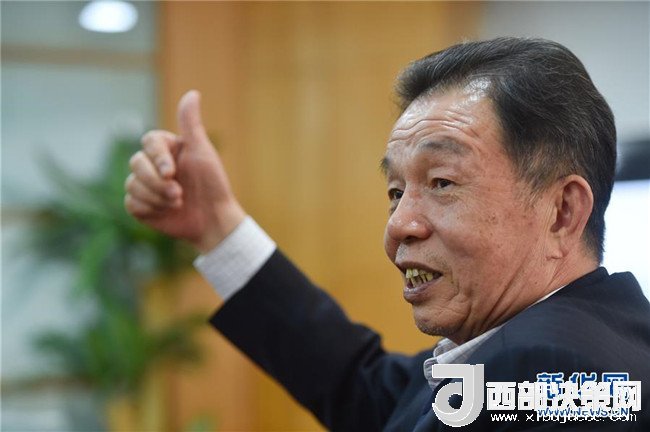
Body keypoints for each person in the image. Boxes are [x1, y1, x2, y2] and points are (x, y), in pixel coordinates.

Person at [125, 37, 650, 430]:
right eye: (396, 191)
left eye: (442, 182)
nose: (399, 225)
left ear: (562, 212)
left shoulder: (545, 370)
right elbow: (371, 394)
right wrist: (216, 226)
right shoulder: (571, 345)